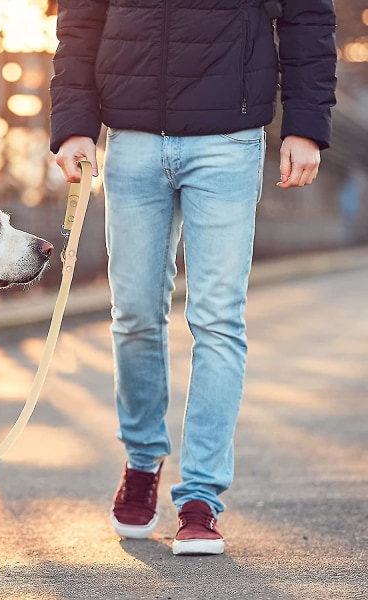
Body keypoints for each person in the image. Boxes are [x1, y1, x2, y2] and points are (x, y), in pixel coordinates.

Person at [49, 0, 337, 555]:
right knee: (133, 314)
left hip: (229, 140)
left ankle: (201, 496)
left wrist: (306, 125)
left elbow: (308, 17)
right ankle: (141, 461)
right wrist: (74, 126)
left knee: (218, 319)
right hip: (131, 137)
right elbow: (80, 22)